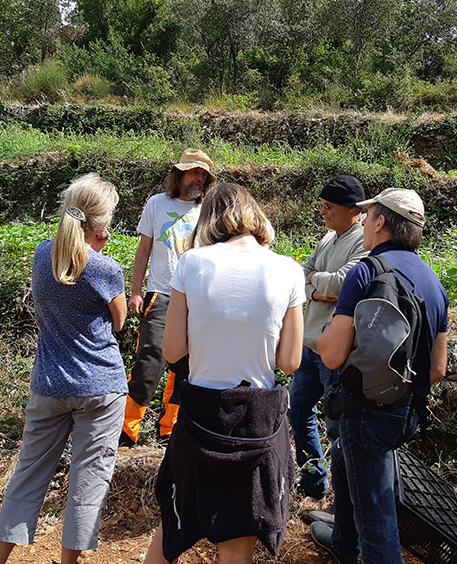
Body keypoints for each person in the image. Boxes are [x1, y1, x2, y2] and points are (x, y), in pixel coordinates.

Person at [144, 183, 305, 564]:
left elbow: (171, 351)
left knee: (175, 520)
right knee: (238, 533)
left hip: (201, 413)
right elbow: (290, 362)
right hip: (256, 420)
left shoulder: (191, 263)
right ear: (256, 218)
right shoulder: (288, 269)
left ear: (209, 219)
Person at [0, 174, 127, 564]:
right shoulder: (106, 268)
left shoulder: (42, 254)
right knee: (88, 480)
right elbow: (119, 322)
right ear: (101, 225)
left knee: (28, 473)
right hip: (100, 385)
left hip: (48, 382)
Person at [312, 188, 448, 564]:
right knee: (345, 464)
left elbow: (334, 352)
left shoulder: (367, 271)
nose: (364, 222)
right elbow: (437, 369)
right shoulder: (434, 282)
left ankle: (365, 550)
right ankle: (342, 541)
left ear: (381, 221)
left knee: (377, 518)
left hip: (364, 412)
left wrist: (323, 338)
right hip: (406, 412)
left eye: (368, 215)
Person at [121, 148, 216, 446]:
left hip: (197, 299)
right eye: (194, 171)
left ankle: (170, 429)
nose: (199, 177)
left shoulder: (210, 209)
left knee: (184, 367)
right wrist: (136, 291)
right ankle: (126, 429)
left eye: (203, 174)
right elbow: (144, 250)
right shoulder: (157, 204)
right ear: (179, 174)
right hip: (160, 294)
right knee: (148, 362)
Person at [288, 175, 368, 503]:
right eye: (321, 206)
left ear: (353, 209)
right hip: (310, 346)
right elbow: (302, 274)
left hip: (336, 351)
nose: (323, 212)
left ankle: (343, 502)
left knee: (337, 426)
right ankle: (314, 483)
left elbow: (340, 285)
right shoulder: (328, 237)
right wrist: (316, 287)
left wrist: (315, 284)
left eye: (328, 206)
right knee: (297, 412)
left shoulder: (363, 241)